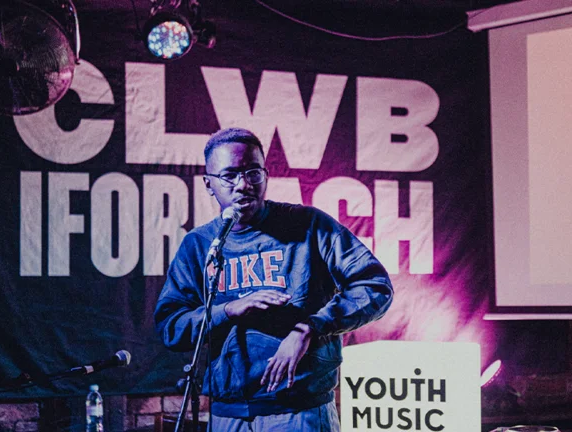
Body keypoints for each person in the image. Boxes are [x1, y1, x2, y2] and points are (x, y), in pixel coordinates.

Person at [154, 127, 393, 431]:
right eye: (229, 175)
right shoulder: (199, 245)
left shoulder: (309, 226)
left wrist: (310, 328)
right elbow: (170, 327)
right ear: (209, 184)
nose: (243, 185)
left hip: (299, 412)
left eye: (253, 172)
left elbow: (375, 286)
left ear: (266, 174)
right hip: (229, 415)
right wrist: (229, 309)